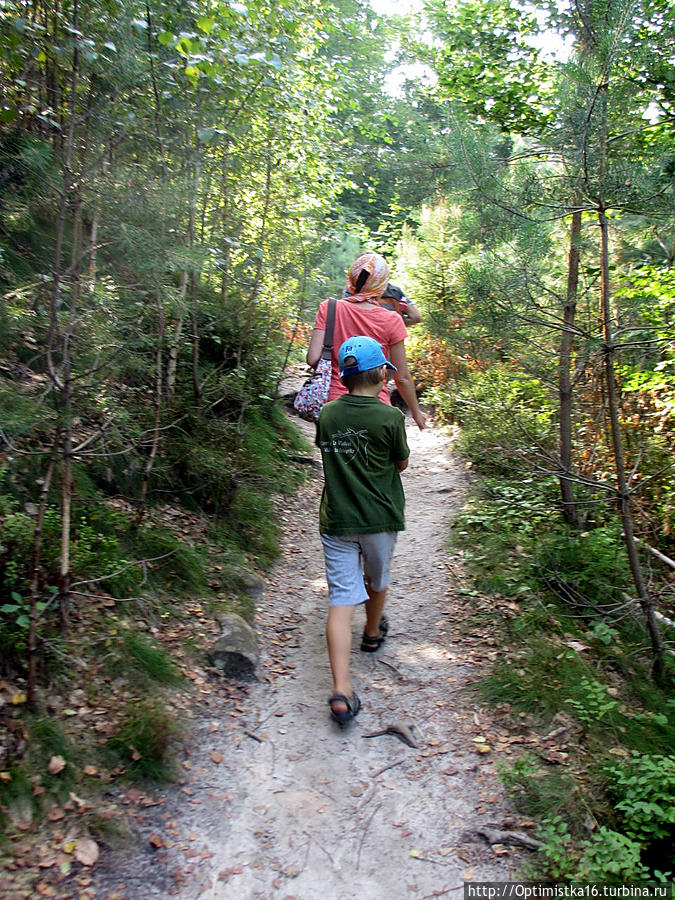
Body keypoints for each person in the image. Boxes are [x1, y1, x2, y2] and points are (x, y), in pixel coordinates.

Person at [316, 336, 411, 725]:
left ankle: (341, 689)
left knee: (341, 599)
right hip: (379, 518)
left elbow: (328, 449)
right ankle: (372, 633)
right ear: (383, 373)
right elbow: (401, 464)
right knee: (377, 577)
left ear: (345, 375)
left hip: (337, 518)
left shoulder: (328, 413)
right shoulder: (390, 418)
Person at [307, 251, 427, 430]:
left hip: (333, 406)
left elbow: (312, 358)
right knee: (384, 456)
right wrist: (416, 412)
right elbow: (402, 378)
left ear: (352, 278)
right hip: (376, 409)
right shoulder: (391, 320)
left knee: (336, 456)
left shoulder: (329, 308)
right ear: (381, 284)